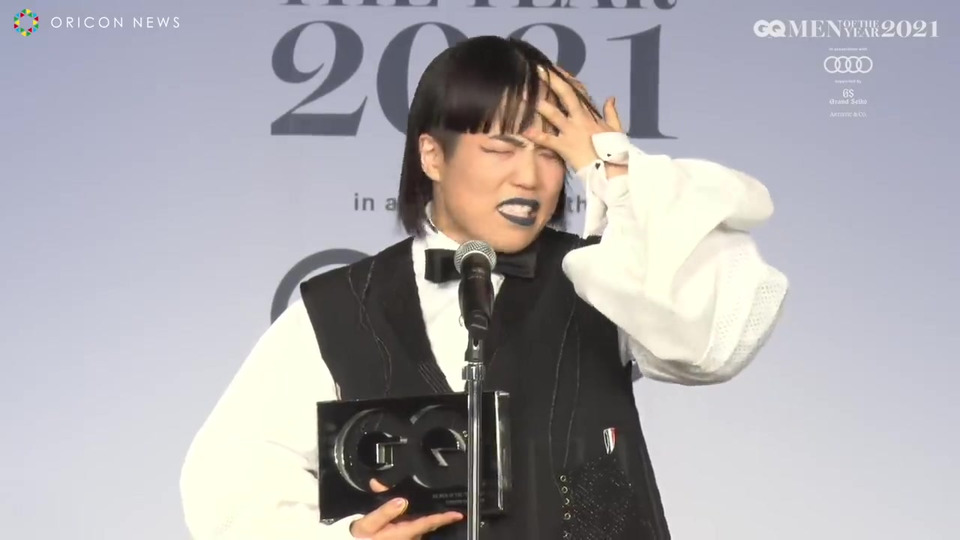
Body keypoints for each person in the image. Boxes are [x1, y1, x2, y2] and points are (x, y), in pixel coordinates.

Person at [179, 36, 789, 540]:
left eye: (550, 155)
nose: (529, 177)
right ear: (432, 156)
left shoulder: (608, 275)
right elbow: (228, 477)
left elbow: (718, 339)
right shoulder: (337, 307)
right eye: (501, 148)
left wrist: (614, 171)